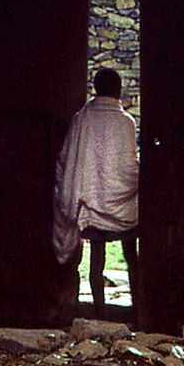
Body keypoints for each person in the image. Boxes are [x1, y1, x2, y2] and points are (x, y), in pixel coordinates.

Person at [53, 67, 139, 316]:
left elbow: (68, 161)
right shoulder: (126, 123)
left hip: (90, 207)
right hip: (123, 210)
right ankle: (138, 308)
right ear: (119, 91)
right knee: (132, 257)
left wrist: (92, 193)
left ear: (95, 89)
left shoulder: (82, 120)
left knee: (97, 260)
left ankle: (100, 313)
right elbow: (128, 169)